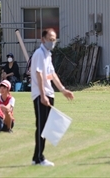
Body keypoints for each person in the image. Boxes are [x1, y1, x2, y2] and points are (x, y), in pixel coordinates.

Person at [31, 28, 74, 167]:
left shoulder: (48, 55)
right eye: (50, 39)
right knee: (42, 126)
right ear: (43, 39)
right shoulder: (39, 54)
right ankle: (39, 158)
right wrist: (42, 95)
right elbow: (38, 75)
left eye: (54, 39)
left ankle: (37, 157)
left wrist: (62, 90)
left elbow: (51, 75)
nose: (52, 42)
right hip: (40, 95)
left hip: (49, 93)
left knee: (46, 126)